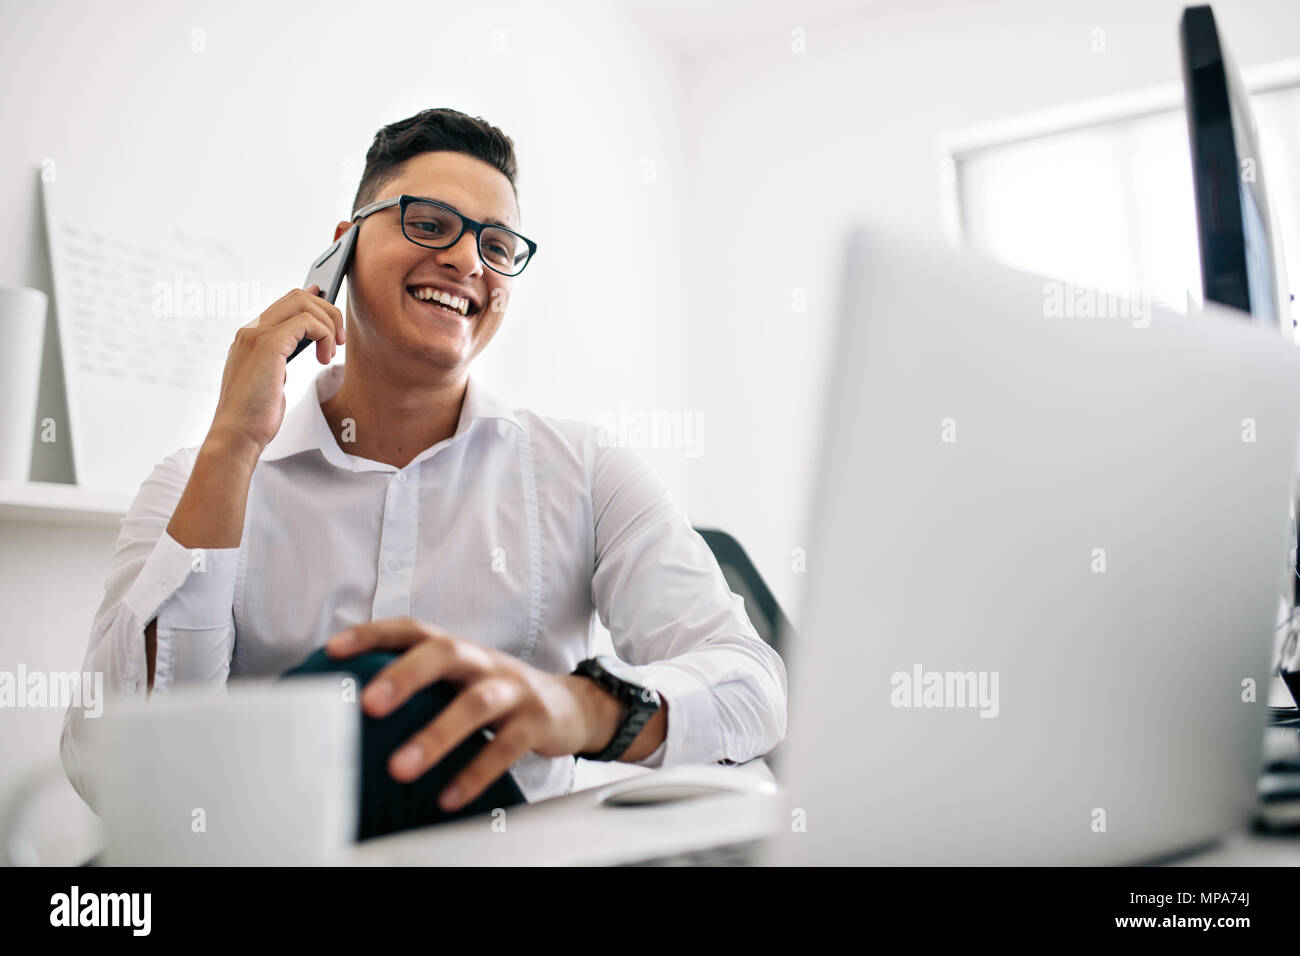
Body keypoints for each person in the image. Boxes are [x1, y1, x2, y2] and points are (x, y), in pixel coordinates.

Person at [59, 107, 788, 839]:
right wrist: (230, 447)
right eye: (430, 224)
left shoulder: (587, 473)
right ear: (340, 251)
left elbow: (754, 688)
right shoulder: (198, 480)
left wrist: (582, 706)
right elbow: (106, 767)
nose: (469, 262)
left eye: (497, 245)